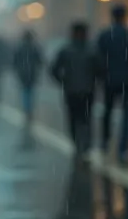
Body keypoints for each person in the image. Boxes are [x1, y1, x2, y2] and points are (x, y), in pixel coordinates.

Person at [96, 3, 128, 162]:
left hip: (109, 80)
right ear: (124, 16)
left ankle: (105, 142)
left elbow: (98, 58)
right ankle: (123, 148)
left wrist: (101, 76)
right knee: (127, 115)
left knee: (107, 112)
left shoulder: (104, 36)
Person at [50, 22, 99, 160]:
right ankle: (86, 144)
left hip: (71, 91)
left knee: (73, 118)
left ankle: (77, 143)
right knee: (86, 118)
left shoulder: (66, 50)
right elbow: (101, 70)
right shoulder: (92, 50)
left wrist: (63, 81)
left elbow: (54, 70)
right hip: (87, 90)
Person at [12, 30, 43, 123]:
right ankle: (29, 109)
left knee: (25, 91)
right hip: (32, 73)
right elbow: (40, 60)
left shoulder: (20, 47)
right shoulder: (34, 47)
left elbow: (15, 61)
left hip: (23, 74)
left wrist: (17, 69)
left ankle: (27, 109)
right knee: (30, 91)